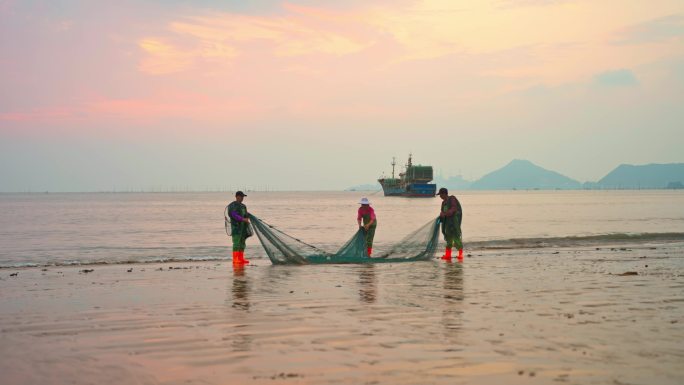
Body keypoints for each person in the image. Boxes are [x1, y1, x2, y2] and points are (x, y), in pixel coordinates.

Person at [438, 187, 463, 261]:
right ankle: (448, 255)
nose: (440, 196)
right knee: (448, 240)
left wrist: (445, 214)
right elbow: (443, 212)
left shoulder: (452, 199)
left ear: (444, 194)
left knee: (456, 238)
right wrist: (441, 215)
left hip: (454, 223)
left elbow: (454, 209)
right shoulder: (443, 203)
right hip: (447, 224)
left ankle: (460, 255)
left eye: (440, 194)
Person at [225, 191, 251, 264]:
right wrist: (243, 219)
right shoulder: (233, 205)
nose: (242, 198)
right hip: (236, 228)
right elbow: (233, 214)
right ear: (237, 196)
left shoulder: (243, 206)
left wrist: (248, 217)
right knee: (236, 243)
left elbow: (245, 215)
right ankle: (235, 259)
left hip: (243, 229)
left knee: (242, 243)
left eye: (243, 197)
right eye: (241, 196)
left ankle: (241, 258)